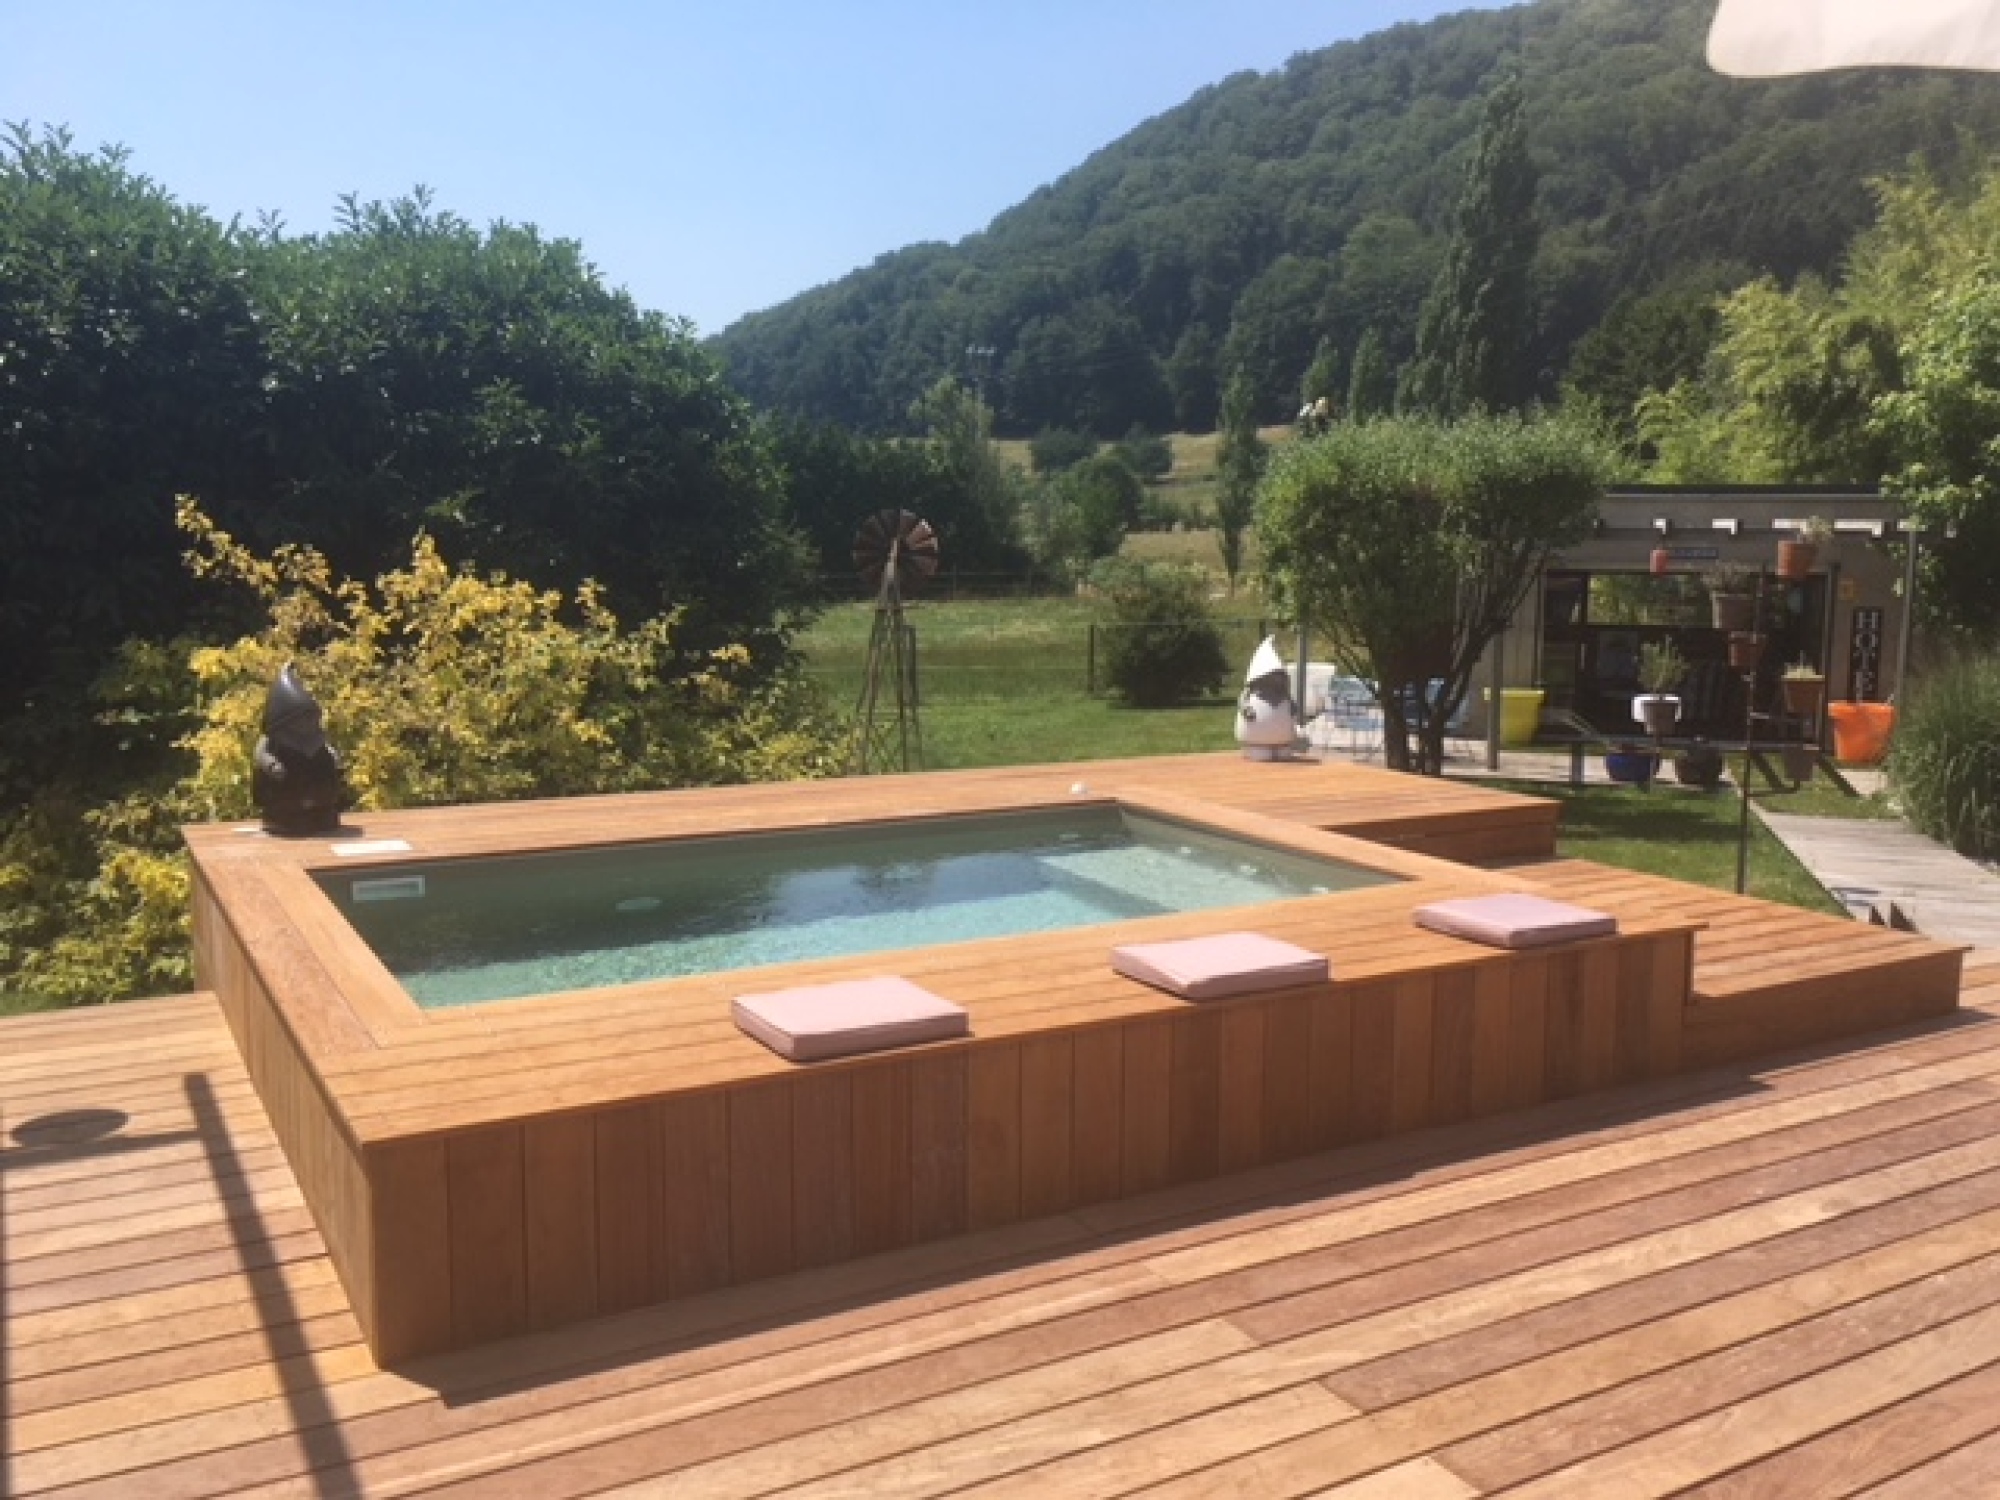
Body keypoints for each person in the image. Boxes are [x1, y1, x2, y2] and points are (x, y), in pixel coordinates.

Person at [252, 663, 345, 835]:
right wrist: (271, 764)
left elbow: (326, 747)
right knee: (290, 811)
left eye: (311, 717)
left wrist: (332, 755)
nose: (308, 723)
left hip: (317, 787)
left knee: (326, 809)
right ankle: (285, 818)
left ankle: (321, 810)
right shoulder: (275, 737)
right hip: (286, 790)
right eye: (302, 719)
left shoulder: (316, 737)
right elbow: (260, 752)